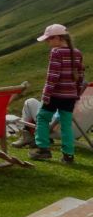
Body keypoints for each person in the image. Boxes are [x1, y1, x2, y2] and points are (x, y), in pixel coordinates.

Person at [30, 24, 85, 163]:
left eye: (49, 39)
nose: (47, 42)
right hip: (70, 96)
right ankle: (68, 155)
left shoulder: (56, 52)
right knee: (66, 125)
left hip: (55, 94)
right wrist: (76, 93)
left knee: (42, 118)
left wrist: (46, 95)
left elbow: (52, 76)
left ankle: (43, 149)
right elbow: (80, 76)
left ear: (58, 38)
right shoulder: (77, 52)